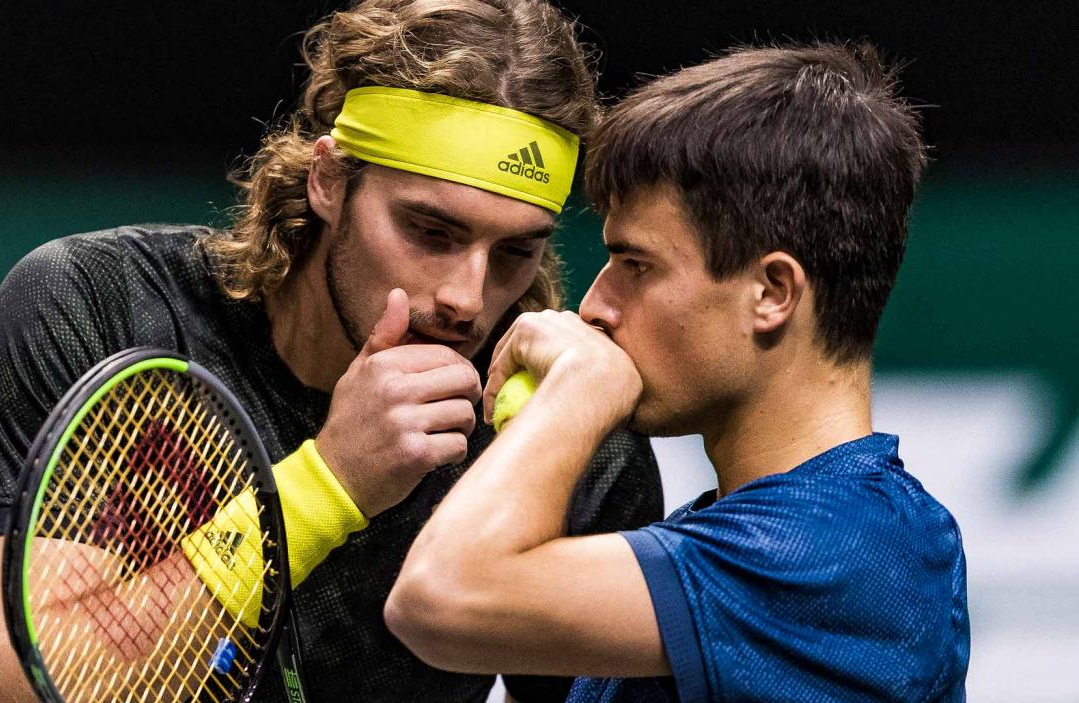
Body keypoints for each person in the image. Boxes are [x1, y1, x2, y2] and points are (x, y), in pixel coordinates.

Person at [0, 1, 665, 701]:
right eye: (430, 231)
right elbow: (15, 685)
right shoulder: (103, 302)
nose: (468, 297)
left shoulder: (557, 443)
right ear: (328, 180)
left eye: (515, 251)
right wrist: (331, 482)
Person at [386, 42, 970, 702]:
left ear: (773, 292)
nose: (595, 307)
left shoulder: (841, 548)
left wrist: (580, 389)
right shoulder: (731, 544)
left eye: (636, 266)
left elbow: (438, 594)